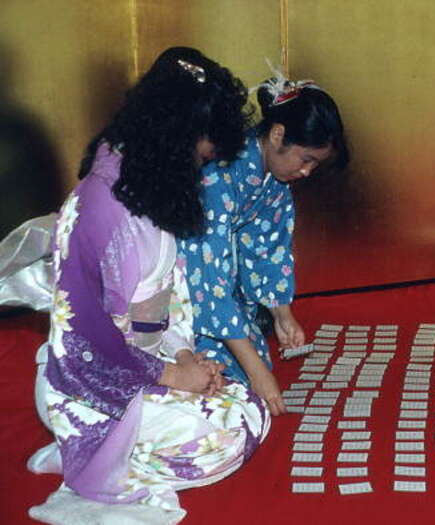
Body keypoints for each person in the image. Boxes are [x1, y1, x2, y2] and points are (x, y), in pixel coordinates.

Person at [27, 47, 269, 523]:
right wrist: (170, 377)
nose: (207, 160)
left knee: (243, 403)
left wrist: (181, 356)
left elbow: (171, 298)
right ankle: (93, 455)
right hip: (87, 388)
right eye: (205, 147)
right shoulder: (101, 208)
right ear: (178, 136)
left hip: (146, 365)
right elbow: (82, 343)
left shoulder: (146, 185)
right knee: (223, 437)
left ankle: (118, 449)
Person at [179, 68, 348, 417]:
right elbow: (208, 277)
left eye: (315, 165)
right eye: (306, 160)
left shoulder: (274, 181)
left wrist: (282, 315)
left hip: (218, 285)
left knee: (242, 368)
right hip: (182, 285)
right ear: (277, 134)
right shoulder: (219, 174)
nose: (306, 173)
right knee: (218, 384)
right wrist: (258, 372)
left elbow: (268, 250)